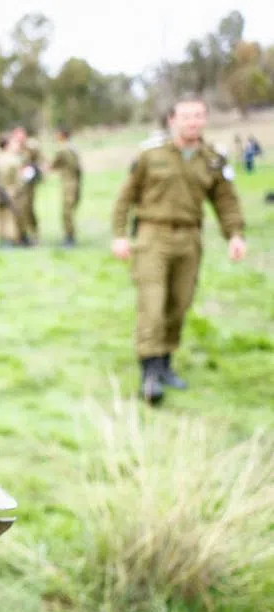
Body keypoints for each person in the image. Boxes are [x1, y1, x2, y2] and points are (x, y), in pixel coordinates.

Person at [111, 96, 247, 405]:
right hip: (152, 235)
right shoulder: (150, 154)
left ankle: (166, 362)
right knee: (153, 303)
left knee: (179, 303)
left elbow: (226, 201)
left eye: (199, 116)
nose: (193, 122)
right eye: (186, 116)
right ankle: (149, 371)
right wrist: (119, 235)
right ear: (172, 120)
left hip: (189, 239)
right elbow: (125, 196)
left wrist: (235, 235)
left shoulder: (212, 159)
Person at [0, 129, 32, 248]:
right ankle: (12, 241)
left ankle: (11, 240)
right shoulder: (11, 159)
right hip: (13, 192)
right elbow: (17, 179)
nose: (16, 145)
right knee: (13, 217)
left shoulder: (0, 158)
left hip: (4, 191)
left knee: (5, 218)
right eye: (13, 143)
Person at [49, 126, 82, 247]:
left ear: (62, 135)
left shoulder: (62, 149)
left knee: (66, 211)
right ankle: (69, 236)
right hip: (75, 182)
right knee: (69, 210)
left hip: (68, 183)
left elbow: (53, 165)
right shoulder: (73, 147)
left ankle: (69, 237)